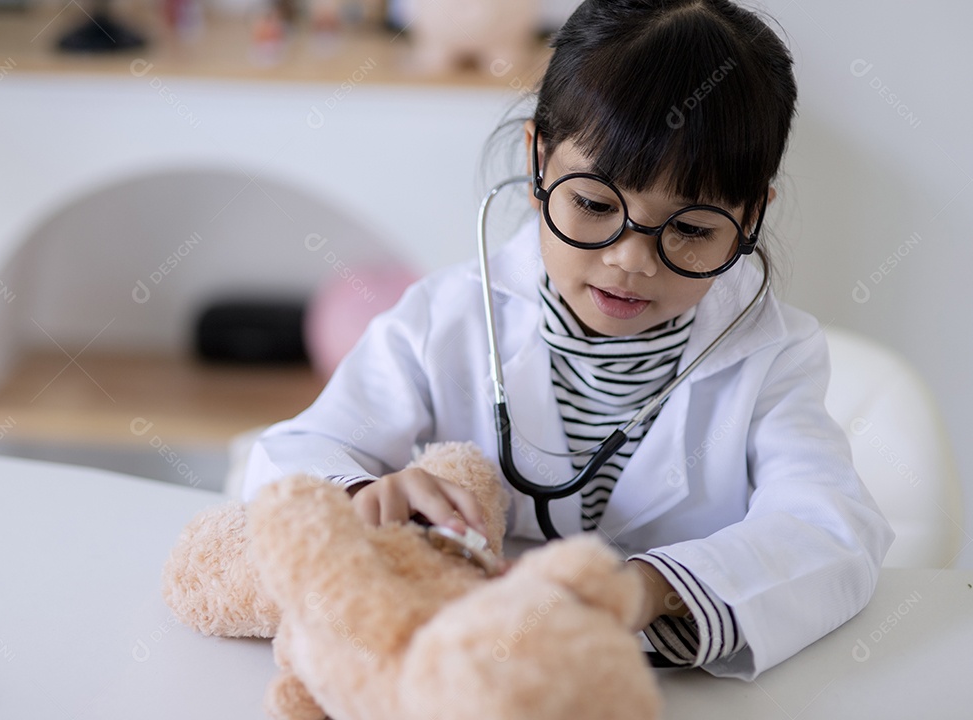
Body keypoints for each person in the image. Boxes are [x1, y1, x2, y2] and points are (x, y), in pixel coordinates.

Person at [242, 0, 893, 680]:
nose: (632, 261)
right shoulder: (448, 320)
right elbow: (291, 456)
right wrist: (360, 494)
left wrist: (644, 589)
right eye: (595, 204)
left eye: (691, 229)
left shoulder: (771, 360)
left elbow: (834, 536)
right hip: (474, 672)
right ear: (538, 163)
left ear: (751, 215)